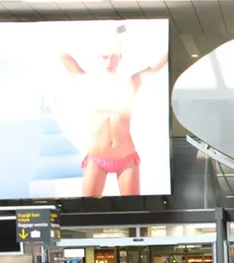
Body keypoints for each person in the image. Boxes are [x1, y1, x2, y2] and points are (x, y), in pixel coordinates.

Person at [61, 24, 168, 196]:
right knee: (87, 214)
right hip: (97, 157)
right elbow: (64, 57)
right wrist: (92, 31)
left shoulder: (131, 83)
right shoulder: (88, 82)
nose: (109, 62)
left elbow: (160, 62)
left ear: (120, 57)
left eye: (113, 57)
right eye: (104, 57)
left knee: (135, 215)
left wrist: (131, 34)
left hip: (125, 157)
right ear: (98, 57)